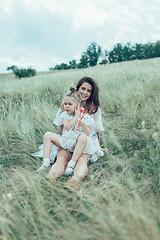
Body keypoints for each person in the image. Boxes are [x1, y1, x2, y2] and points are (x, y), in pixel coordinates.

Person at [47, 77, 105, 190]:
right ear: (77, 88)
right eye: (83, 88)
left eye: (89, 91)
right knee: (62, 156)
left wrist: (98, 145)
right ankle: (50, 178)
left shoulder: (94, 108)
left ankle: (74, 181)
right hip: (68, 138)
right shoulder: (67, 104)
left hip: (85, 139)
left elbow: (96, 130)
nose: (85, 92)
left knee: (82, 158)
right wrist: (59, 141)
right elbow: (61, 125)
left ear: (92, 93)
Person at [36, 85, 96, 175]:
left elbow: (87, 133)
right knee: (47, 134)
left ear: (77, 105)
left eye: (70, 104)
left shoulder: (86, 117)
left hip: (77, 144)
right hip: (66, 141)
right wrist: (76, 117)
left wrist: (82, 123)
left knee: (83, 137)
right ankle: (46, 163)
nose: (66, 106)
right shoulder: (65, 115)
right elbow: (67, 127)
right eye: (65, 104)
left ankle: (71, 164)